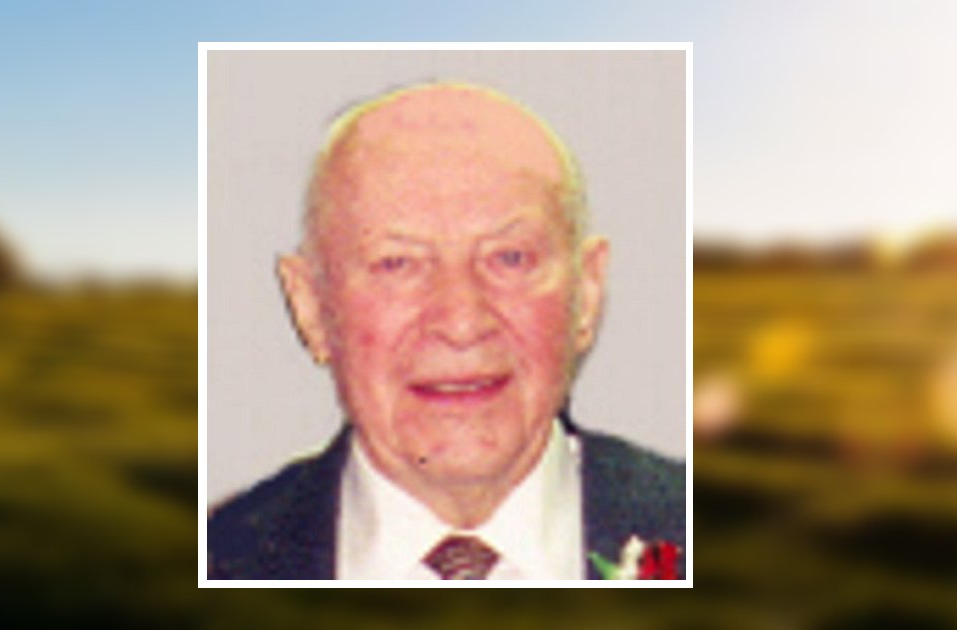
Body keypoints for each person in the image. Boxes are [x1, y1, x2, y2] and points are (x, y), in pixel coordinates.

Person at [208, 82, 685, 580]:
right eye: (397, 264)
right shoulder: (219, 558)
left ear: (586, 292)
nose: (462, 323)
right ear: (310, 306)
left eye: (510, 258)